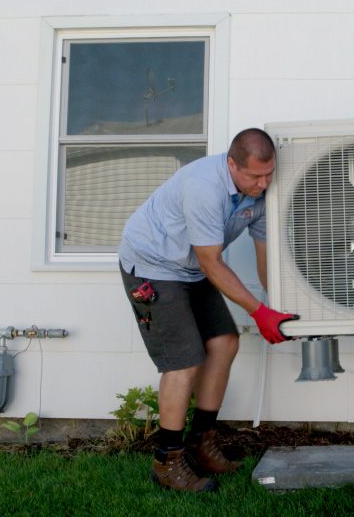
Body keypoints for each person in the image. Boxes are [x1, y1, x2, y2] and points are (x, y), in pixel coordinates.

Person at [119, 128, 299, 492]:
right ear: (232, 164)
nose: (264, 184)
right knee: (184, 361)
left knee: (224, 342)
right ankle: (167, 463)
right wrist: (259, 314)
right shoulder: (204, 187)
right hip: (153, 265)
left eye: (269, 174)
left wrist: (276, 306)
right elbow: (211, 262)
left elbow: (265, 263)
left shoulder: (260, 195)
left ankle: (201, 444)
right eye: (254, 176)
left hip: (191, 266)